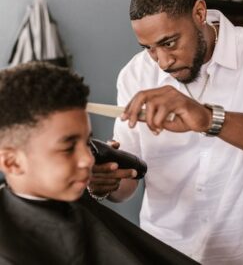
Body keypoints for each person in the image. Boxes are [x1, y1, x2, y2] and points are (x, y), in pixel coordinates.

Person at [88, 0, 243, 265]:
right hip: (162, 253)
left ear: (199, 12)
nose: (162, 61)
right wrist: (108, 183)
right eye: (149, 49)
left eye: (169, 42)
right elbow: (128, 184)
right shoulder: (134, 75)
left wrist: (206, 118)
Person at [0, 62, 199, 265]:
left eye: (87, 143)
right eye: (68, 148)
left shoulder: (80, 211)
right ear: (12, 162)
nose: (88, 159)